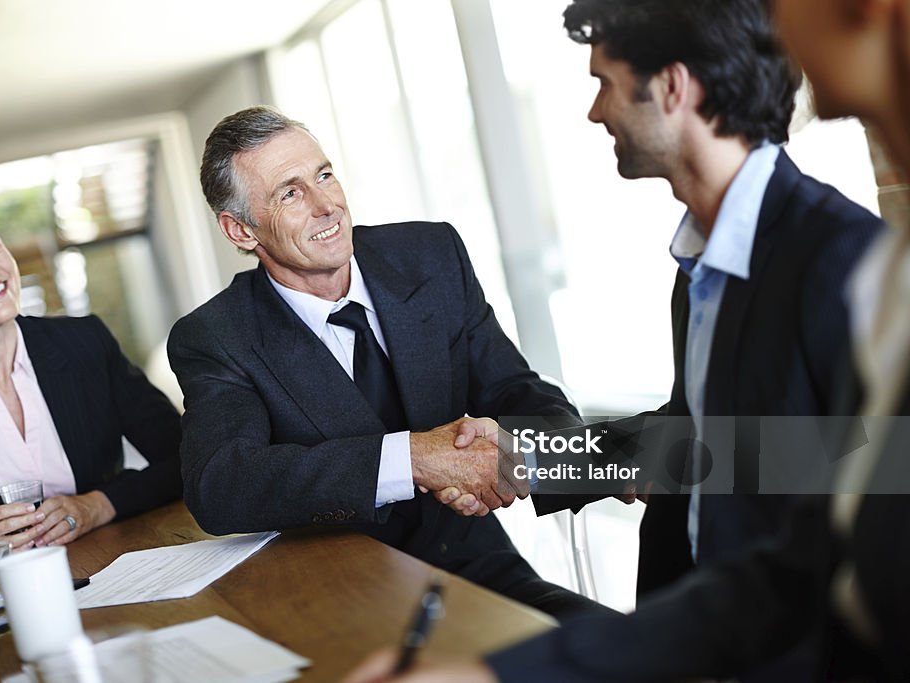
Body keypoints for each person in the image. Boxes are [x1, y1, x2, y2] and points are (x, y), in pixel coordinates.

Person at [342, 0, 910, 680]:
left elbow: (826, 477)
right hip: (697, 632)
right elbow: (703, 440)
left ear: (672, 87)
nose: (595, 111)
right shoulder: (704, 262)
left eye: (603, 82)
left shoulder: (845, 263)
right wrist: (527, 456)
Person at [166, 106, 596, 616]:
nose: (327, 205)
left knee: (621, 650)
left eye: (324, 175)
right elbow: (221, 485)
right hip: (341, 597)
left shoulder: (430, 253)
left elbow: (515, 390)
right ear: (241, 231)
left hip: (480, 569)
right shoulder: (217, 336)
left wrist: (513, 457)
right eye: (290, 192)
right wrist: (416, 459)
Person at [0, 188, 183, 567]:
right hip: (0, 590)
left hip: (116, 564)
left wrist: (98, 505)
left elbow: (187, 460)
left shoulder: (85, 343)